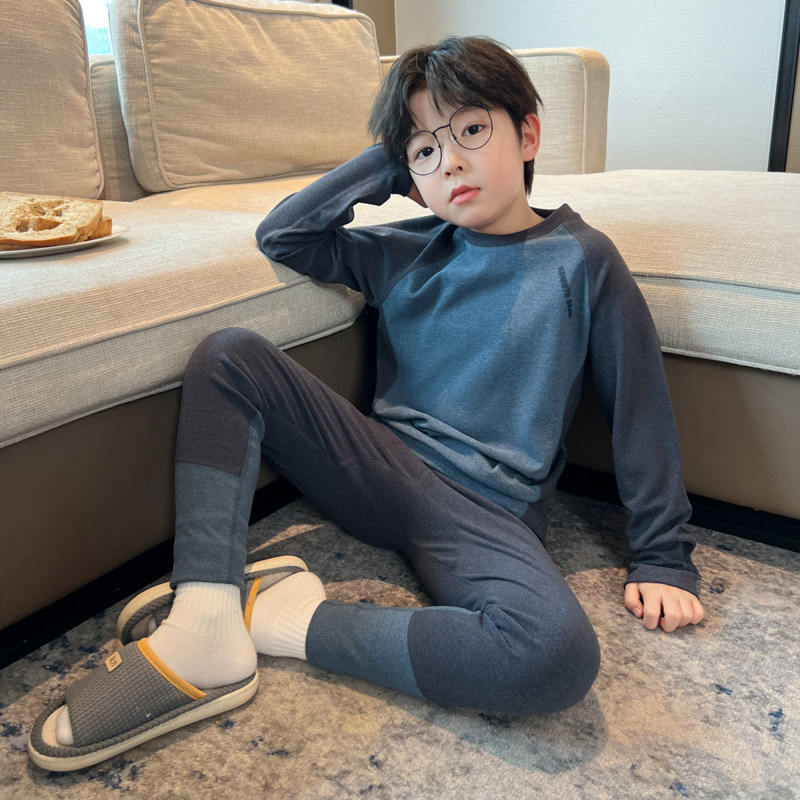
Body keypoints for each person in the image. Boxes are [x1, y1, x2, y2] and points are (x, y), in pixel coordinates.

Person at [29, 36, 705, 772]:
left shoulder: (585, 259)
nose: (451, 162)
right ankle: (204, 615)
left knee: (555, 657)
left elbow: (640, 407)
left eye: (472, 130)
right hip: (377, 469)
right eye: (427, 150)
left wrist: (662, 558)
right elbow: (284, 235)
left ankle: (281, 617)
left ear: (529, 134)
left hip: (488, 515)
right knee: (229, 355)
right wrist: (388, 161)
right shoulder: (406, 249)